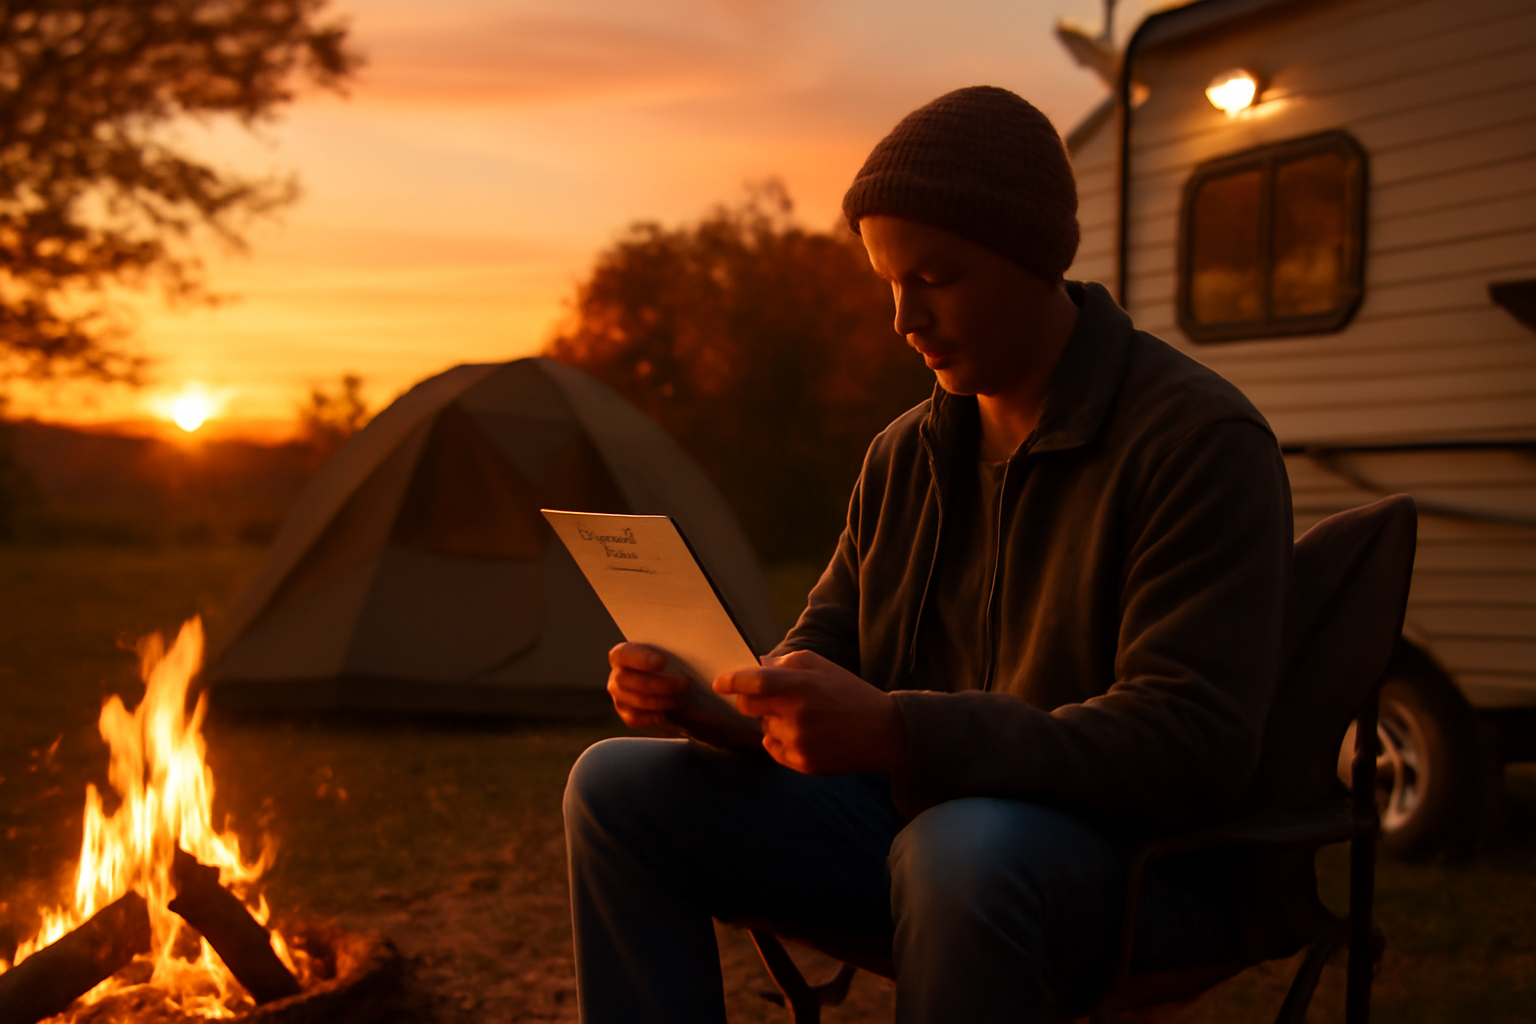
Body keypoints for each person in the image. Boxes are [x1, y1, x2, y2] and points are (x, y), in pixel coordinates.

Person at [563, 85, 1292, 1023]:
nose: (903, 317)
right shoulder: (906, 453)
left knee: (959, 847)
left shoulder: (1196, 440)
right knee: (615, 787)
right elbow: (823, 654)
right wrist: (721, 703)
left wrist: (906, 734)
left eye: (937, 277)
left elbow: (1193, 746)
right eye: (888, 281)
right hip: (910, 838)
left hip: (1135, 867)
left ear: (1032, 257)